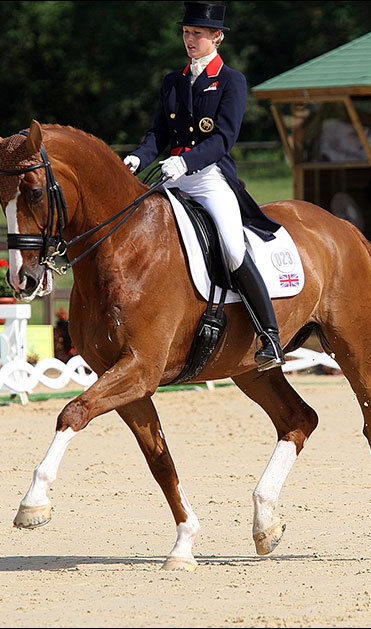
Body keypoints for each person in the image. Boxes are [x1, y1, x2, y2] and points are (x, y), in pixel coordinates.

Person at [122, 2, 284, 371]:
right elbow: (159, 133)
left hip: (209, 177)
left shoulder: (231, 81)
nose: (189, 39)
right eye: (185, 33)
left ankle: (270, 337)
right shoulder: (173, 81)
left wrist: (186, 161)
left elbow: (222, 139)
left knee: (231, 247)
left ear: (217, 36)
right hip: (171, 175)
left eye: (197, 33)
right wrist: (139, 157)